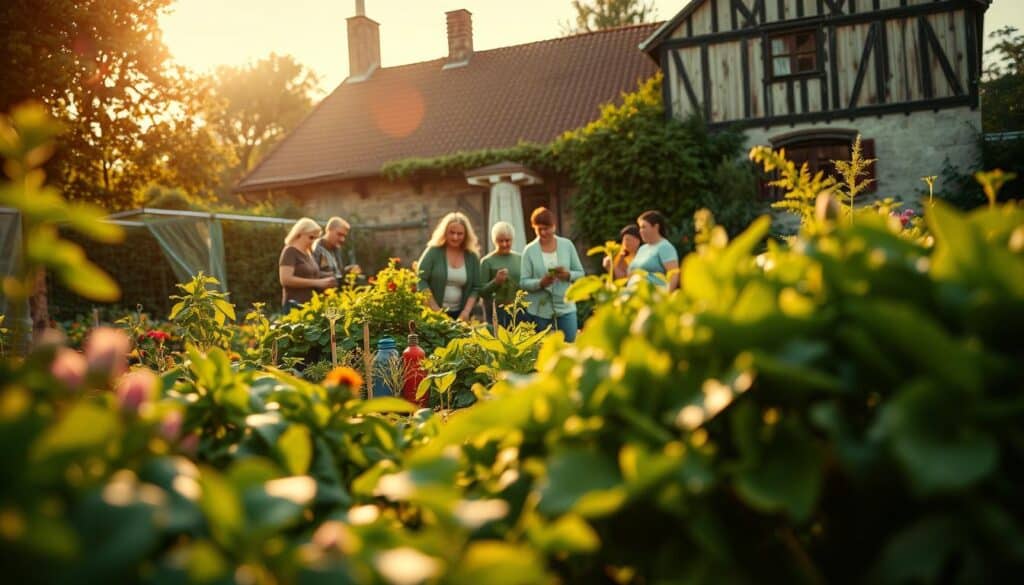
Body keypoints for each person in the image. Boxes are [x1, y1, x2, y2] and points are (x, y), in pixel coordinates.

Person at [520, 207, 584, 342]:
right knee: (542, 350)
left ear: (554, 226)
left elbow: (580, 274)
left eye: (546, 228)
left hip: (566, 306)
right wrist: (540, 283)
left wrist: (567, 275)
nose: (543, 232)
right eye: (539, 229)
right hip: (539, 309)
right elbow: (523, 282)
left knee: (570, 346)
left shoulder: (567, 245)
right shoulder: (529, 250)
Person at [416, 212, 482, 321]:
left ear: (466, 235)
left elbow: (476, 287)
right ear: (445, 232)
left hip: (461, 316)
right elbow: (421, 279)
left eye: (460, 233)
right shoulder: (433, 252)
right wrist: (435, 310)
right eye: (452, 232)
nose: (455, 237)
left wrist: (465, 312)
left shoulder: (472, 257)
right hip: (434, 314)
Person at [279, 218, 337, 309]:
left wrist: (328, 277)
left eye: (316, 238)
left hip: (309, 305)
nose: (313, 241)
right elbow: (285, 279)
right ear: (299, 234)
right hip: (294, 305)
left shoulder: (308, 252)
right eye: (311, 237)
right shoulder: (290, 251)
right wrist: (317, 283)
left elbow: (310, 274)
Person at [479, 221, 522, 328]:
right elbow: (480, 291)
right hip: (495, 311)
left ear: (512, 239)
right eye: (500, 241)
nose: (504, 244)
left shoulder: (520, 259)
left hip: (518, 310)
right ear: (494, 241)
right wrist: (496, 282)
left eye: (507, 240)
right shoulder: (487, 262)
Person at [629, 210, 679, 292]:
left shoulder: (665, 247)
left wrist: (666, 297)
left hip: (653, 299)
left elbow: (674, 274)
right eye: (639, 227)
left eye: (643, 227)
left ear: (656, 227)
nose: (640, 231)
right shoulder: (642, 249)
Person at [312, 216, 361, 284]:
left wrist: (347, 270)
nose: (342, 239)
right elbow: (311, 274)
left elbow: (337, 273)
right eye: (339, 234)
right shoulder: (315, 248)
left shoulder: (336, 249)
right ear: (328, 230)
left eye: (344, 236)